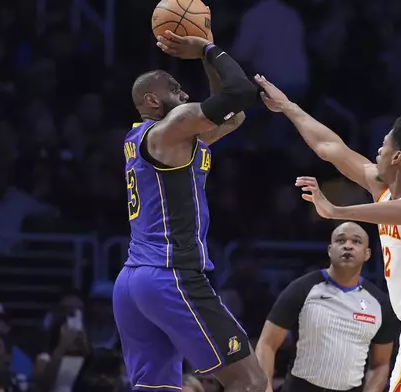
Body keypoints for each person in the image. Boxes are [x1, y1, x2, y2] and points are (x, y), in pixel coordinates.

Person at [255, 75, 401, 391]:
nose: (377, 149)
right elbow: (330, 147)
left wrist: (338, 211)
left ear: (397, 156)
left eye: (384, 144)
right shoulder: (383, 188)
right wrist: (288, 107)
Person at [113, 24, 265, 392]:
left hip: (133, 282)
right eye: (175, 89)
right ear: (151, 101)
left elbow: (234, 116)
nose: (185, 94)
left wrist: (204, 57)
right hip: (171, 275)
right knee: (251, 382)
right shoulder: (172, 129)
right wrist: (208, 49)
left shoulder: (152, 138)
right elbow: (241, 92)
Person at [256, 222, 395, 392]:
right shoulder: (302, 288)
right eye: (340, 240)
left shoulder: (380, 303)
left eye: (356, 242)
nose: (348, 246)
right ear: (330, 250)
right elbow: (267, 344)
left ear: (367, 254)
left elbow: (380, 365)